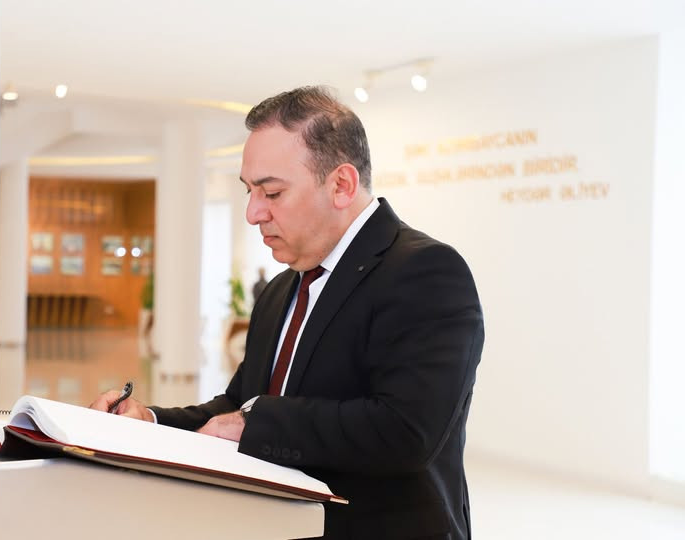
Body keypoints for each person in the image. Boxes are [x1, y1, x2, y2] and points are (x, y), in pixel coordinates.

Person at [91, 86, 484, 539]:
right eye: (249, 191)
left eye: (272, 192)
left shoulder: (425, 271)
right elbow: (238, 406)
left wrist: (253, 423)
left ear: (341, 185)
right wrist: (151, 422)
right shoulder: (283, 288)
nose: (253, 213)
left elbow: (406, 432)